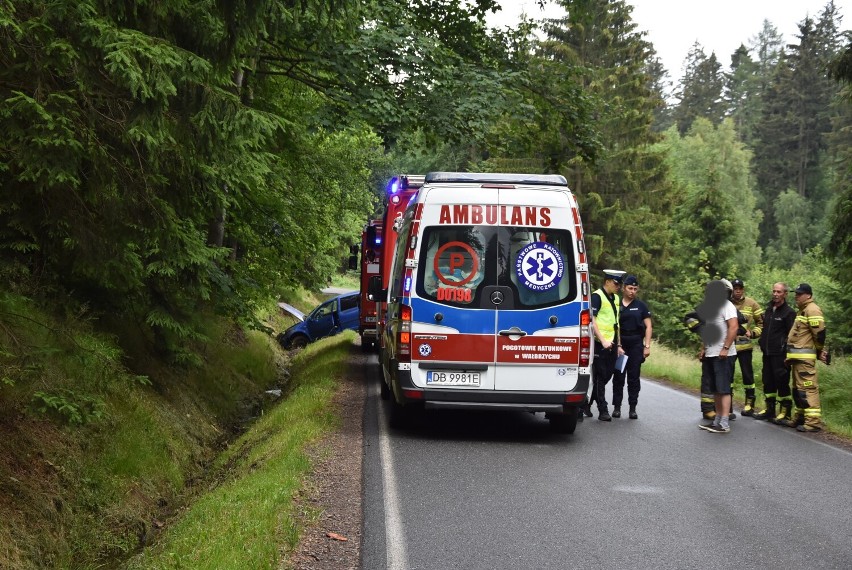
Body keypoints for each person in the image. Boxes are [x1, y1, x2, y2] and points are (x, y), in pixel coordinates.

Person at [782, 283, 827, 433]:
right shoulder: (803, 311)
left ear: (808, 295)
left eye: (800, 294)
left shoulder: (812, 309)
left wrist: (819, 352)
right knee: (797, 389)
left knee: (807, 389)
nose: (796, 296)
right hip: (797, 358)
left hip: (805, 360)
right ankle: (800, 417)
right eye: (796, 293)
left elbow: (819, 334)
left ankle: (813, 422)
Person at [697, 279, 739, 434]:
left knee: (723, 389)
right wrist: (703, 348)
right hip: (711, 353)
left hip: (723, 354)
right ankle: (717, 420)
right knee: (715, 389)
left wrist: (726, 348)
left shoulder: (727, 306)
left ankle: (725, 423)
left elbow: (734, 327)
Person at [753, 282, 796, 423]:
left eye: (779, 292)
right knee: (768, 381)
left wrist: (788, 354)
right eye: (774, 291)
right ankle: (770, 410)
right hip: (767, 353)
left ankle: (785, 412)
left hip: (780, 354)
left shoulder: (789, 312)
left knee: (782, 381)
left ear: (785, 294)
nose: (776, 294)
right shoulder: (769, 310)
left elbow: (792, 336)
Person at [586, 269, 625, 421]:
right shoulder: (597, 296)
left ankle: (586, 404)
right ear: (607, 281)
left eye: (619, 284)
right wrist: (602, 340)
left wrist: (619, 344)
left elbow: (616, 323)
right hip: (599, 343)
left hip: (612, 343)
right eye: (616, 283)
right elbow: (592, 321)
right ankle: (603, 409)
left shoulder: (615, 298)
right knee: (600, 376)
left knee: (607, 375)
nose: (618, 287)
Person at [611, 275, 652, 420]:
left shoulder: (641, 306)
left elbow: (648, 326)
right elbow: (614, 326)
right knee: (619, 377)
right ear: (624, 288)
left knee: (633, 378)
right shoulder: (616, 304)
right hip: (621, 345)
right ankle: (616, 407)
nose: (632, 291)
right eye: (630, 288)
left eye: (635, 289)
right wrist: (618, 345)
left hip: (635, 344)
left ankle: (632, 408)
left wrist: (646, 346)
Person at [729, 279, 763, 416]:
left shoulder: (751, 303)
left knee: (747, 376)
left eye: (740, 288)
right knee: (727, 376)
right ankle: (728, 405)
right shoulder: (726, 303)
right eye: (735, 288)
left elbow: (762, 322)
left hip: (745, 347)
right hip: (729, 346)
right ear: (731, 290)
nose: (738, 290)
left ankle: (750, 404)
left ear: (743, 289)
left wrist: (754, 333)